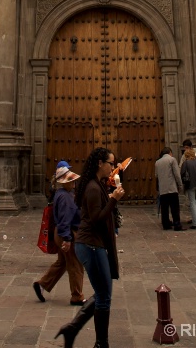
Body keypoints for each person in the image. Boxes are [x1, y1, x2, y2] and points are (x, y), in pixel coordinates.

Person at [55, 147, 124, 348]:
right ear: (100, 164)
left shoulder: (97, 185)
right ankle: (101, 344)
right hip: (91, 245)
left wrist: (112, 195)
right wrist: (113, 200)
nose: (113, 167)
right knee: (104, 297)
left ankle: (73, 329)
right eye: (111, 163)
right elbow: (96, 220)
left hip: (94, 244)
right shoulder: (93, 188)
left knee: (103, 293)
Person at [33, 166, 86, 306]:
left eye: (74, 180)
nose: (74, 183)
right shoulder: (66, 197)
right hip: (67, 233)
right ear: (63, 182)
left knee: (62, 263)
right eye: (71, 181)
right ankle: (77, 296)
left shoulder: (62, 193)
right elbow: (64, 219)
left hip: (61, 233)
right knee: (75, 264)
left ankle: (42, 284)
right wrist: (67, 239)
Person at [155, 147, 183, 231]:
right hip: (172, 187)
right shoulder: (172, 160)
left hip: (163, 189)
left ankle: (166, 224)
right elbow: (177, 174)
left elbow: (156, 176)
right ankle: (177, 224)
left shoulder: (157, 162)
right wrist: (180, 185)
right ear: (170, 152)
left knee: (164, 208)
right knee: (174, 208)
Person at [181, 148, 196, 229]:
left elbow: (182, 173)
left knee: (192, 202)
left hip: (191, 184)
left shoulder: (186, 163)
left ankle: (195, 223)